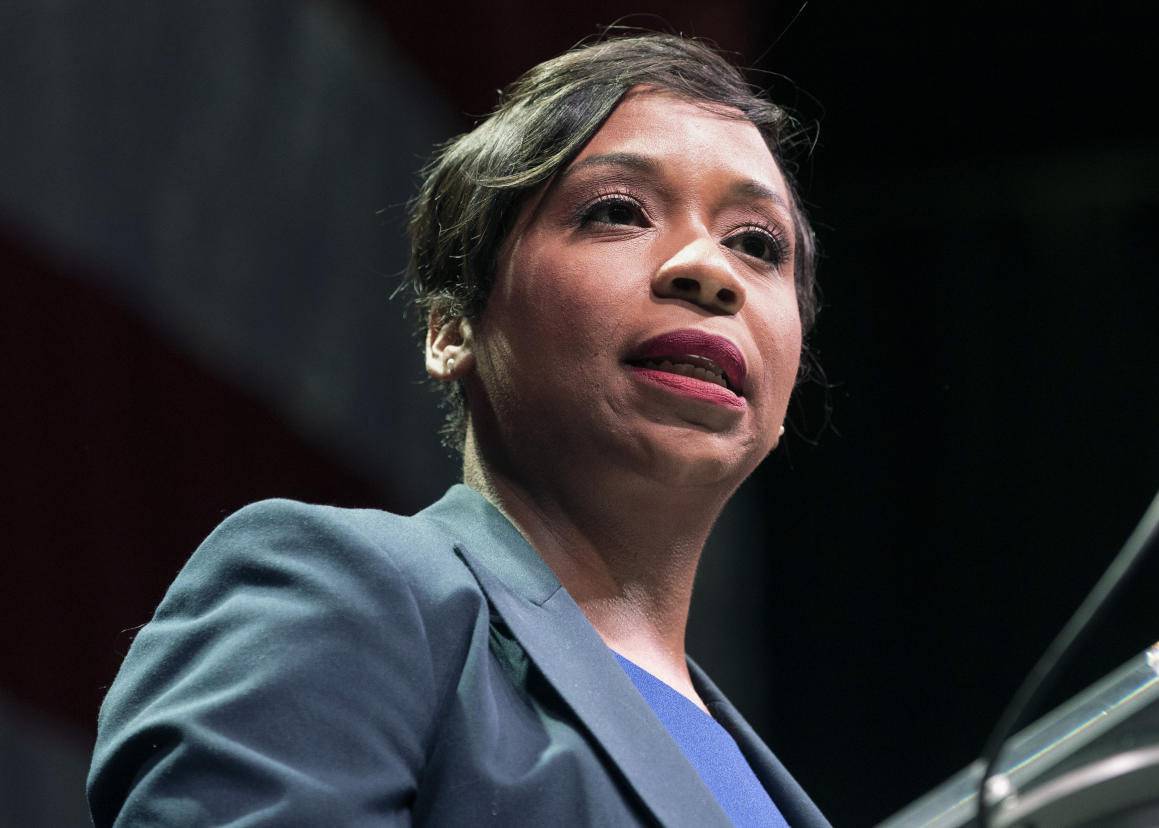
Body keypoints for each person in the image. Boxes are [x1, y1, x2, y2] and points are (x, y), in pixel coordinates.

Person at [87, 33, 830, 827]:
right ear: (451, 329)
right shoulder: (344, 594)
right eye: (618, 212)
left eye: (757, 244)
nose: (709, 270)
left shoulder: (768, 783)